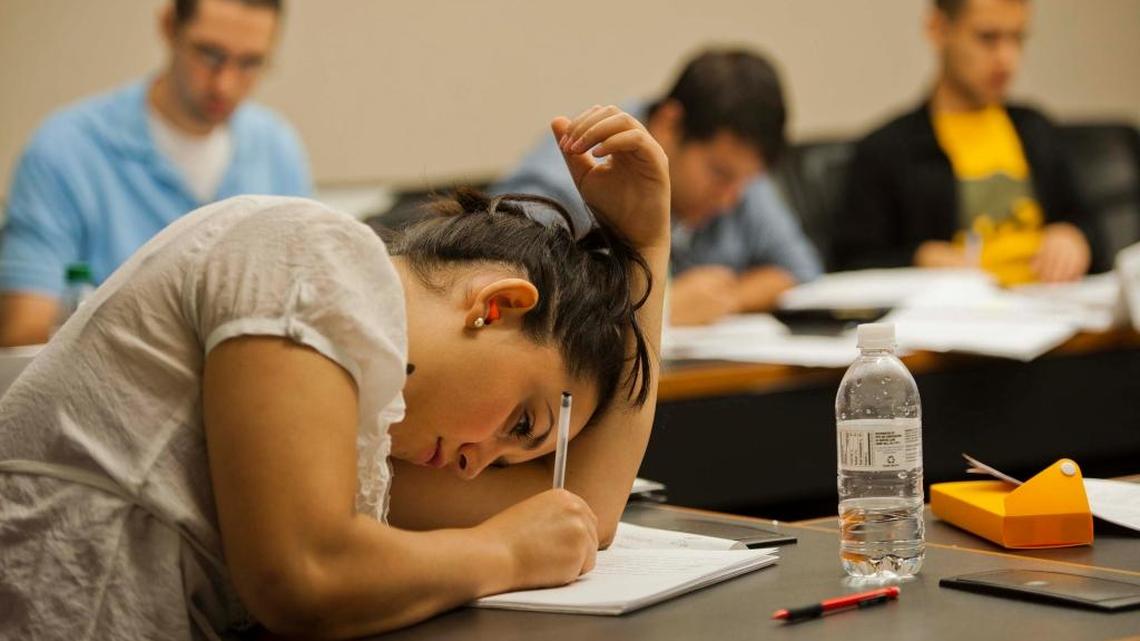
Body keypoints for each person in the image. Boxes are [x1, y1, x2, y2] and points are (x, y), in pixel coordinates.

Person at [0, 106, 670, 639]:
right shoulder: (316, 253)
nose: (476, 466)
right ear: (497, 305)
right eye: (521, 422)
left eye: (504, 459)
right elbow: (301, 575)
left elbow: (580, 513)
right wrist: (505, 554)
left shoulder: (374, 431)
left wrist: (646, 242)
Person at [0, 0, 311, 347]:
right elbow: (23, 338)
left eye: (250, 63)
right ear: (169, 27)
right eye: (209, 54)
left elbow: (304, 312)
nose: (225, 84)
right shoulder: (65, 150)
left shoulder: (276, 149)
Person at [492, 48, 821, 326]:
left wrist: (728, 298)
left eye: (744, 181)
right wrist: (658, 311)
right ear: (669, 124)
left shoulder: (735, 178)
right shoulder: (573, 178)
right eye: (719, 174)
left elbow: (801, 271)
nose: (729, 199)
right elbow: (506, 296)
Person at [835, 0, 1098, 286]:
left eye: (1017, 38)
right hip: (962, 315)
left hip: (1054, 304)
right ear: (938, 29)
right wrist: (918, 259)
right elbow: (852, 264)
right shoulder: (886, 150)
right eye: (988, 38)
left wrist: (1074, 237)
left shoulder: (1035, 129)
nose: (1007, 58)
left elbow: (1092, 229)